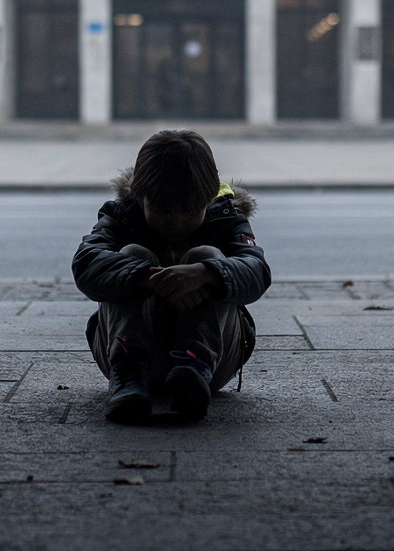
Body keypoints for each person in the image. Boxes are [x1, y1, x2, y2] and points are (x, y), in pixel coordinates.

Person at [73, 130, 270, 423]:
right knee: (132, 254)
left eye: (191, 210)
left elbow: (256, 272)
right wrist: (145, 277)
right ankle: (128, 374)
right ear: (141, 197)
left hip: (210, 367)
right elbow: (86, 264)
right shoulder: (120, 215)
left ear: (208, 197)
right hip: (127, 362)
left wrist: (204, 274)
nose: (177, 221)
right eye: (163, 210)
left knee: (208, 256)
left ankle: (192, 366)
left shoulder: (227, 218)